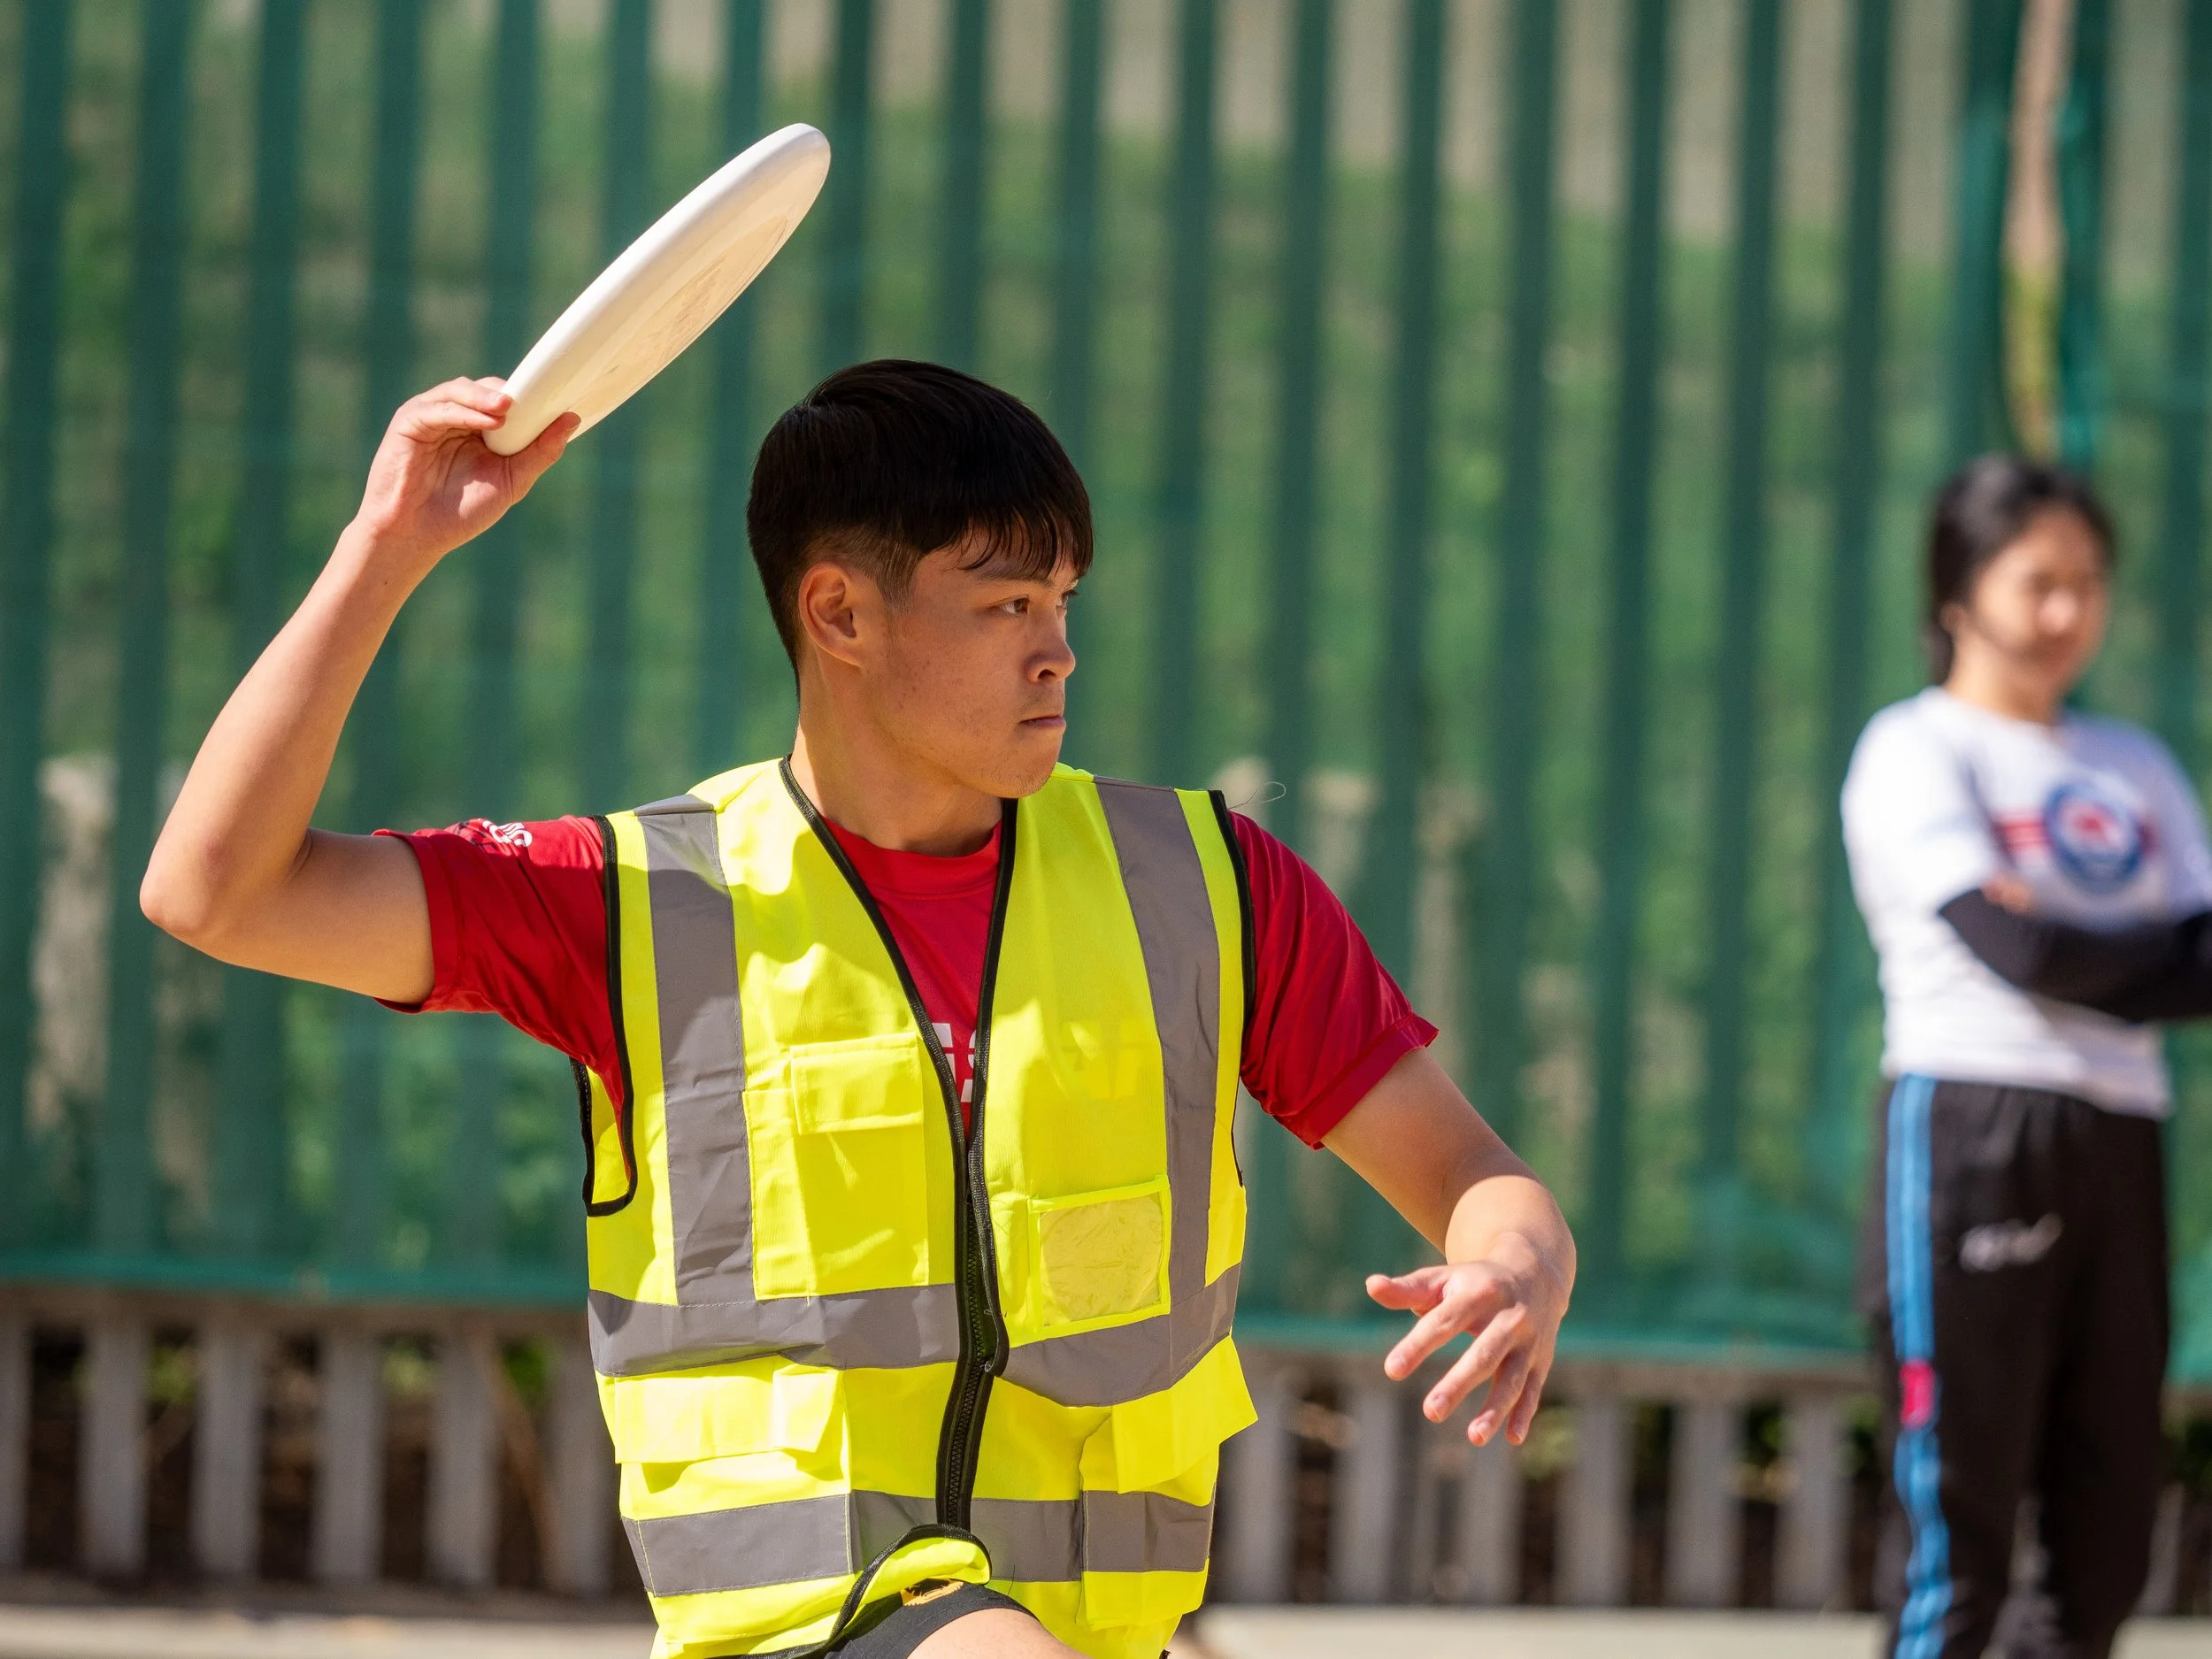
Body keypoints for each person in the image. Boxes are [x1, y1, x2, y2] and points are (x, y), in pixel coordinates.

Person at [142, 362, 1575, 1659]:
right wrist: (384, 552)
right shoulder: (636, 901)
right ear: (839, 610)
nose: (1057, 649)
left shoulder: (1208, 888)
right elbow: (217, 892)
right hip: (811, 1626)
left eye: (1063, 600)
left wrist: (1513, 1265)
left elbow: (1474, 1178)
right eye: (1006, 602)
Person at [1843, 455, 2212, 1659]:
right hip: (1973, 1125)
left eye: (2089, 582)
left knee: (2106, 1538)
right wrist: (2110, 948)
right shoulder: (1915, 749)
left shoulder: (2137, 767)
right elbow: (2016, 945)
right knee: (1962, 1530)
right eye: (2037, 581)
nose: (2068, 613)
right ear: (1959, 590)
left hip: (2120, 1135)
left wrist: (2072, 942)